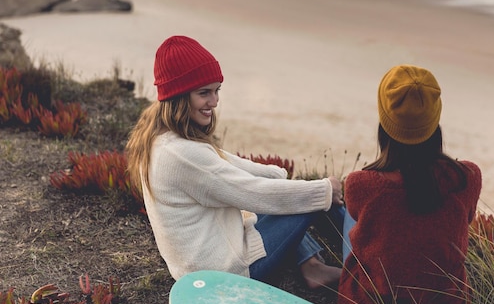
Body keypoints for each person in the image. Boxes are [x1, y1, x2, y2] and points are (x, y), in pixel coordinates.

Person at [125, 35, 344, 289]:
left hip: (202, 261)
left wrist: (278, 175)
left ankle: (312, 266)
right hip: (225, 273)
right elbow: (253, 193)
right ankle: (374, 268)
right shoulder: (181, 155)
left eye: (216, 90)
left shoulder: (162, 138)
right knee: (311, 200)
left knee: (293, 194)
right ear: (178, 96)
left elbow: (229, 163)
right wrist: (325, 189)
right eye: (204, 93)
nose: (214, 102)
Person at [335, 65, 482, 304]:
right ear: (434, 117)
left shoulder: (361, 183)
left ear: (385, 120)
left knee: (346, 216)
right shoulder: (467, 178)